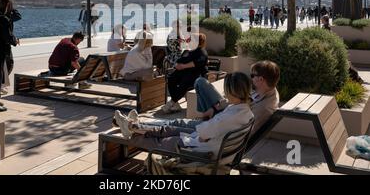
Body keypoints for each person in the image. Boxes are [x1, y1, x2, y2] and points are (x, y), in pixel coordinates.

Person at [113, 72, 254, 160]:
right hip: (208, 144)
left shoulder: (229, 117)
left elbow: (203, 135)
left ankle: (131, 129)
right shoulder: (246, 112)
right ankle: (133, 125)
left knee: (161, 139)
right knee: (168, 129)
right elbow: (206, 132)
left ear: (230, 91)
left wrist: (202, 133)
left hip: (200, 151)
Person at [193, 61, 280, 134]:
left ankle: (204, 121)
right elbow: (239, 100)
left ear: (261, 79)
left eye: (253, 76)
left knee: (200, 82)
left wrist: (216, 123)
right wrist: (215, 107)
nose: (251, 78)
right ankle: (205, 119)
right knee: (200, 82)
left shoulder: (264, 108)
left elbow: (244, 131)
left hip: (226, 120)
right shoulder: (266, 88)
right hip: (227, 111)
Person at [161, 33, 208, 114]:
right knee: (171, 78)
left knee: (185, 81)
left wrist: (183, 66)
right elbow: (180, 60)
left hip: (197, 74)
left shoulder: (201, 52)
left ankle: (172, 102)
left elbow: (197, 63)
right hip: (185, 72)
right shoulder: (188, 51)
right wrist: (177, 65)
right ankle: (176, 104)